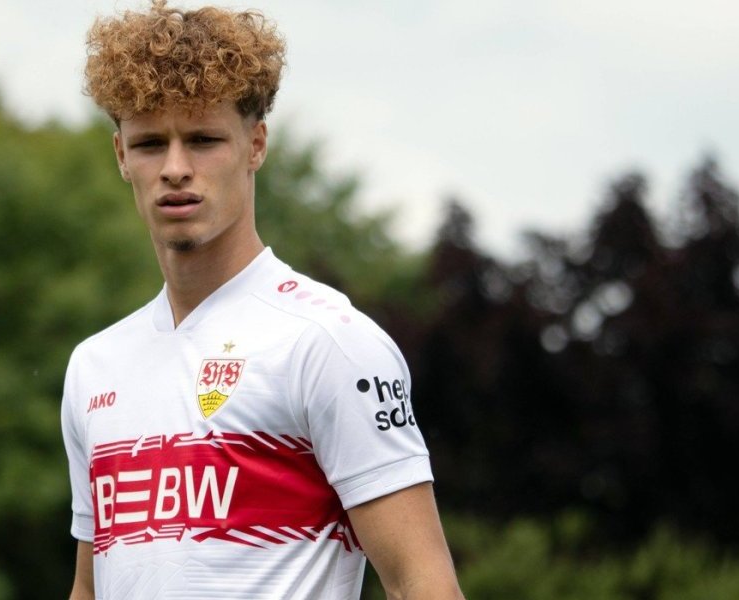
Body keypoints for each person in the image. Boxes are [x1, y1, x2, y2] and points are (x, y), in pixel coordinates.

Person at [61, 1, 464, 598]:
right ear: (121, 155)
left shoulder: (328, 342)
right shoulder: (94, 366)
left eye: (203, 139)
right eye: (150, 144)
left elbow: (420, 584)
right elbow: (91, 589)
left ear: (255, 145)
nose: (175, 168)